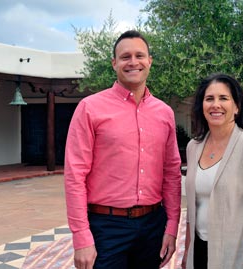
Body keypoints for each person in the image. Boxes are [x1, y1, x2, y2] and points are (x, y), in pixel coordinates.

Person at [64, 30, 182, 269]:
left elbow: (171, 173)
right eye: (125, 56)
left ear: (149, 61)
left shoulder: (165, 113)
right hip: (106, 227)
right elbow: (75, 175)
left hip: (152, 225)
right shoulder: (90, 108)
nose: (133, 62)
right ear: (114, 63)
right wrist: (81, 237)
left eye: (140, 55)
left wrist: (171, 227)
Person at [181, 73, 243, 269]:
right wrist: (187, 252)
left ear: (236, 107)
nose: (215, 104)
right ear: (201, 106)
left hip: (239, 256)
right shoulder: (194, 147)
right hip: (200, 252)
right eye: (209, 98)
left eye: (224, 98)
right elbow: (193, 210)